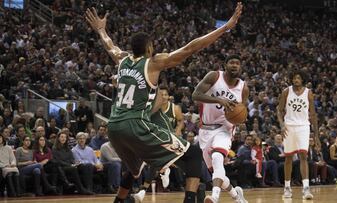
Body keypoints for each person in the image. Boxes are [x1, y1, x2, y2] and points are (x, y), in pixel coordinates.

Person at [85, 2, 243, 203]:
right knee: (193, 154)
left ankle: (120, 201)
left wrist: (101, 29)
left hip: (114, 127)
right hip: (136, 124)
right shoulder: (153, 62)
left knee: (135, 170)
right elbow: (191, 47)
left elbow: (110, 45)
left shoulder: (122, 59)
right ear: (149, 48)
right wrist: (226, 27)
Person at [192, 54, 249, 203]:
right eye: (232, 62)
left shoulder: (243, 87)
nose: (235, 65)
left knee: (218, 157)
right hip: (205, 129)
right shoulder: (214, 76)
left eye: (238, 63)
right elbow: (195, 95)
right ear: (225, 65)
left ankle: (214, 197)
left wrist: (239, 117)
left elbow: (242, 111)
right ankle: (237, 196)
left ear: (240, 67)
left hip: (225, 129)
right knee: (218, 174)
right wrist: (218, 99)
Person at [277, 69, 320, 200]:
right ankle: (287, 187)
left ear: (303, 80)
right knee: (288, 158)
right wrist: (282, 125)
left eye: (299, 78)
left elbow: (312, 114)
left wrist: (316, 135)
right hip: (289, 126)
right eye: (294, 78)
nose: (296, 80)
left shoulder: (308, 93)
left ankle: (306, 188)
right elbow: (279, 110)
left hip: (303, 126)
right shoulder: (286, 91)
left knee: (303, 156)